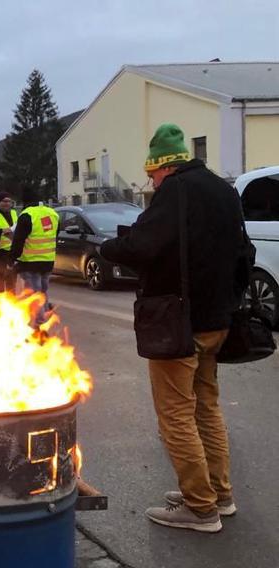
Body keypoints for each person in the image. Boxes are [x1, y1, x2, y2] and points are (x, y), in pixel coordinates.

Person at [100, 123, 248, 533]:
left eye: (151, 175)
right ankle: (220, 495)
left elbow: (141, 246)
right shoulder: (224, 190)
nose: (151, 182)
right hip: (217, 320)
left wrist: (107, 248)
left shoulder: (176, 192)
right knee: (207, 408)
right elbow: (243, 253)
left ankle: (200, 509)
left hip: (178, 323)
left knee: (176, 417)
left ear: (165, 166)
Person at [9, 191, 59, 324]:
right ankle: (44, 315)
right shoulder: (53, 213)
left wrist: (12, 258)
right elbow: (55, 234)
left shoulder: (27, 215)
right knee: (43, 290)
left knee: (34, 293)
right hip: (48, 260)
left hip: (30, 262)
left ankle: (39, 321)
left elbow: (18, 240)